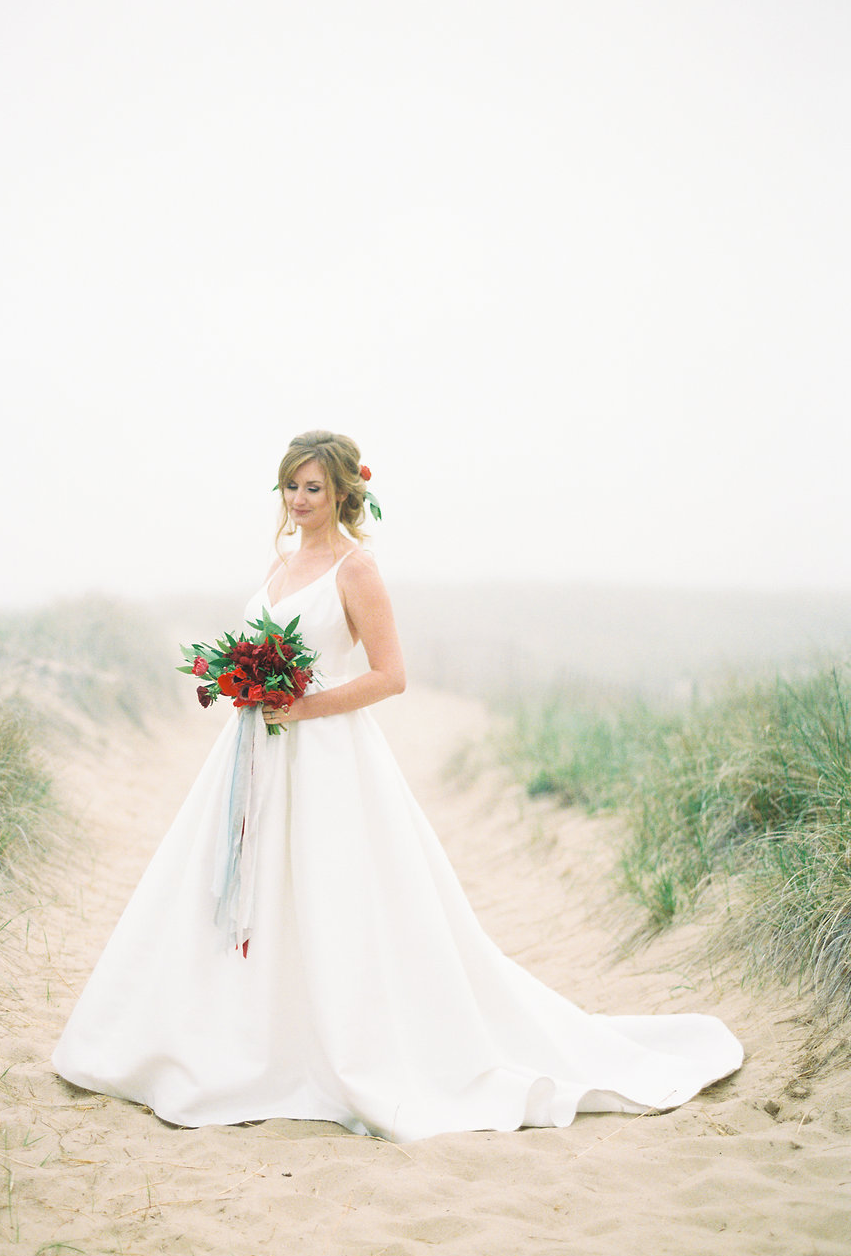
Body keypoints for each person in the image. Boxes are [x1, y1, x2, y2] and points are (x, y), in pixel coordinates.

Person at [52, 430, 742, 1142]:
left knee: (330, 894)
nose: (299, 500)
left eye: (314, 488)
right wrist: (247, 686)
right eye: (291, 486)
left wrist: (305, 705)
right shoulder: (280, 561)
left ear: (344, 491)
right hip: (254, 751)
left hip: (324, 754)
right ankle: (234, 1040)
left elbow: (391, 674)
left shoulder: (357, 570)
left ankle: (337, 1048)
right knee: (241, 886)